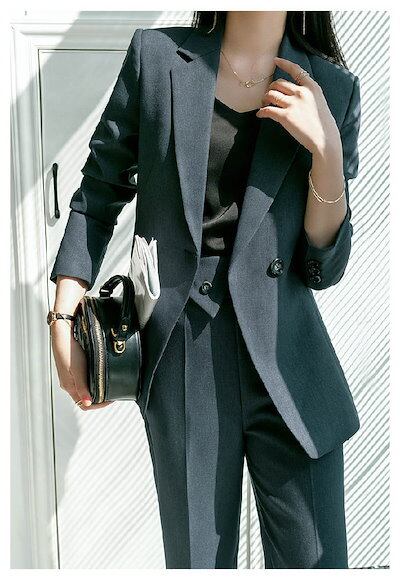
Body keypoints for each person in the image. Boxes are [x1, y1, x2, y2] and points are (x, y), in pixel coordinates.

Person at [48, 10, 362, 569]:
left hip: (290, 364)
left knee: (318, 563)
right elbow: (97, 193)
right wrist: (64, 316)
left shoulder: (332, 89)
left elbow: (322, 267)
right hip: (184, 357)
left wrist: (328, 153)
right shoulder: (156, 59)